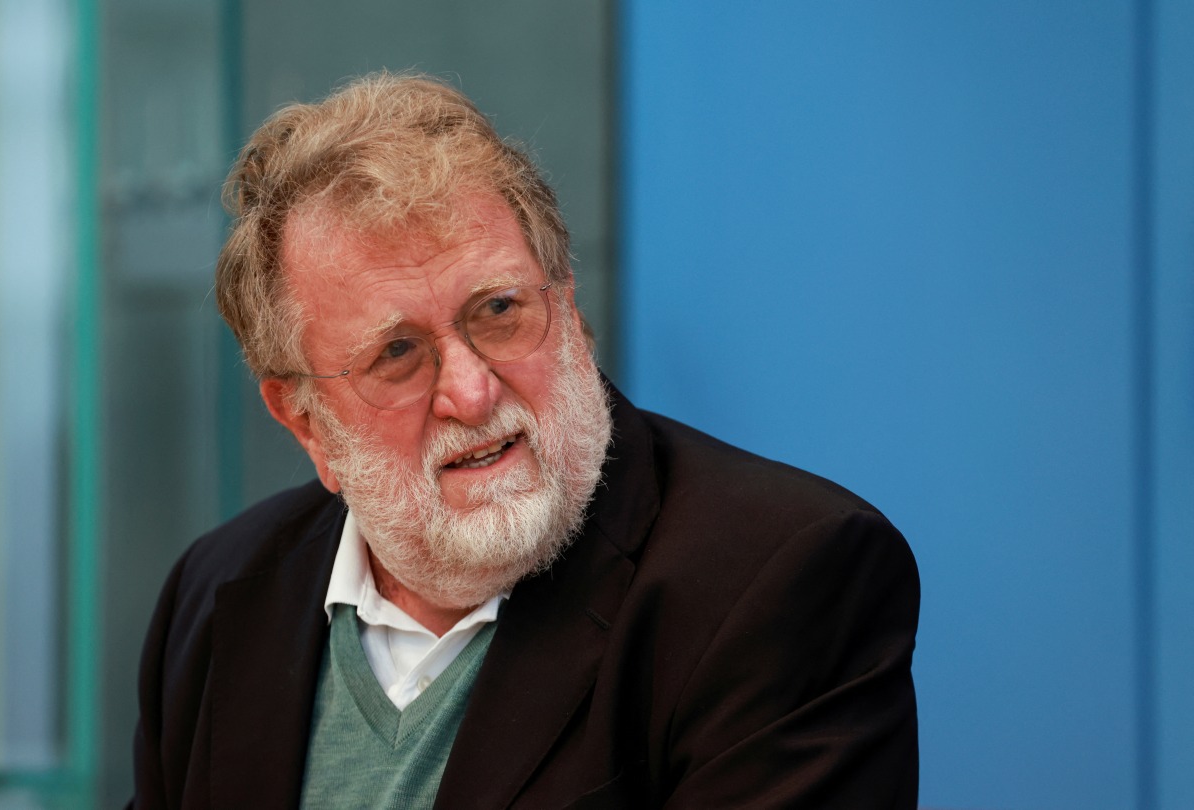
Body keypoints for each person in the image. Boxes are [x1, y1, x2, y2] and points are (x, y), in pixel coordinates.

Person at [130, 72, 919, 809]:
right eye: (397, 354)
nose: (471, 392)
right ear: (305, 421)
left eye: (500, 311)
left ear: (568, 309)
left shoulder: (781, 578)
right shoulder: (217, 595)